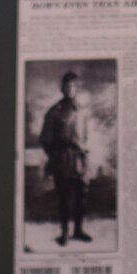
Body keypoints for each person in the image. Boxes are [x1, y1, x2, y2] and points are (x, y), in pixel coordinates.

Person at [38, 70, 91, 246]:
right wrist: (55, 156)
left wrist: (85, 153)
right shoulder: (54, 111)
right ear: (62, 88)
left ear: (77, 89)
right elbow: (45, 139)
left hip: (80, 160)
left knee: (81, 197)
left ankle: (78, 230)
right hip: (62, 159)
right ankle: (65, 233)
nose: (71, 89)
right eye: (68, 86)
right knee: (64, 198)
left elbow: (85, 136)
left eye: (74, 86)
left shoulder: (82, 111)